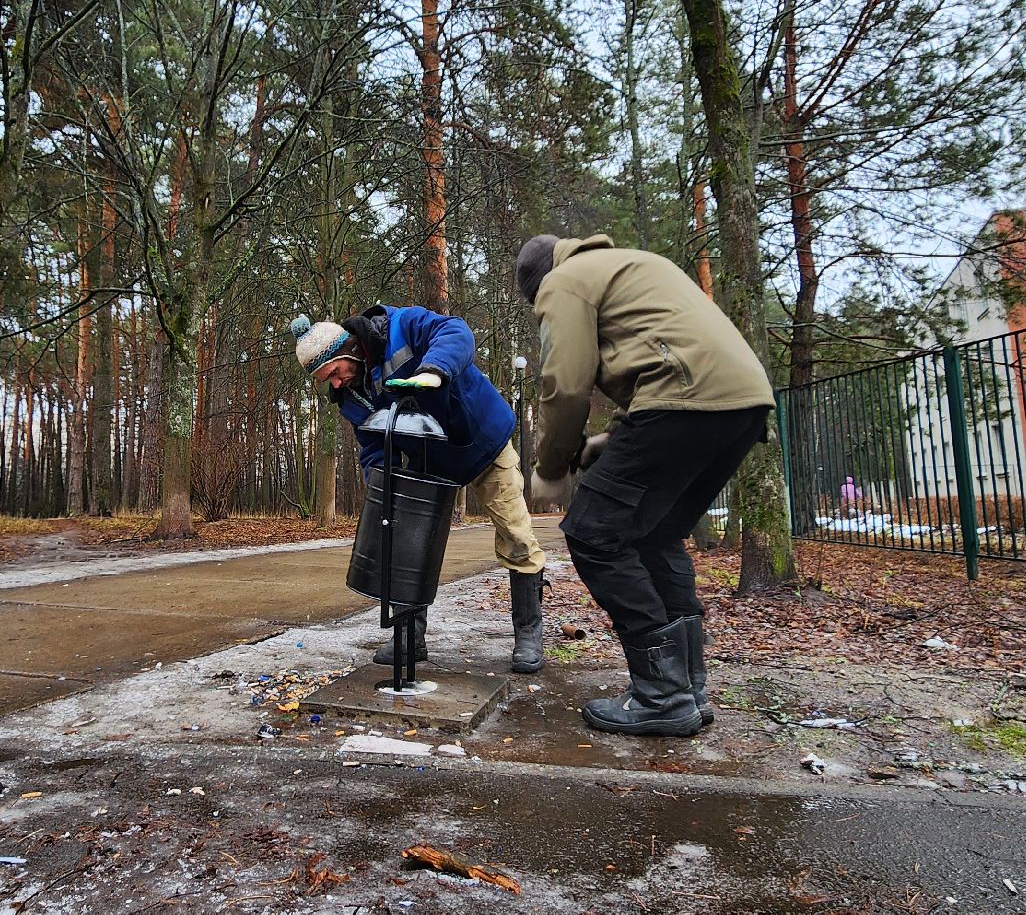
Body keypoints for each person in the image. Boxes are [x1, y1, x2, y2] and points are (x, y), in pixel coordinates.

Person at [515, 233, 774, 737]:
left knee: (593, 533)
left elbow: (565, 383)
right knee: (654, 535)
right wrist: (597, 448)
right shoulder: (636, 262)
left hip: (682, 400)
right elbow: (670, 361)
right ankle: (688, 689)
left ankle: (662, 693)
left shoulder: (563, 281)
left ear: (537, 283)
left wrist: (551, 467)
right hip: (740, 403)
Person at [290, 305, 548, 673]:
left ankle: (528, 633)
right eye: (326, 380)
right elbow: (374, 445)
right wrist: (383, 488)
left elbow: (457, 333)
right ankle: (410, 637)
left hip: (482, 440)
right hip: (428, 458)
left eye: (334, 373)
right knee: (405, 544)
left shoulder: (402, 327)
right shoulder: (352, 396)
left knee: (516, 533)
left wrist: (433, 369)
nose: (335, 383)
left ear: (347, 351)